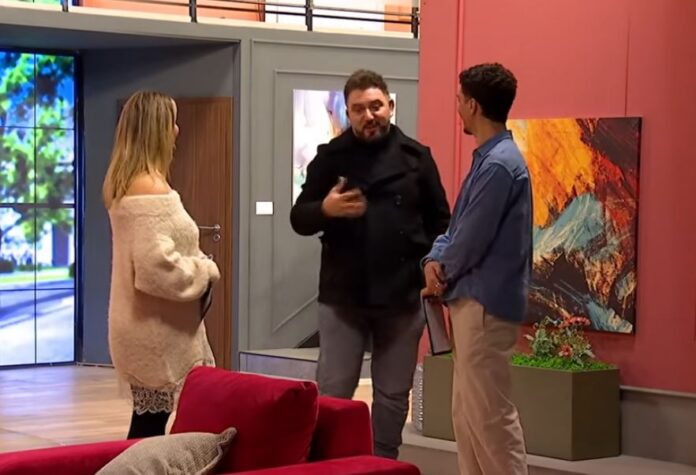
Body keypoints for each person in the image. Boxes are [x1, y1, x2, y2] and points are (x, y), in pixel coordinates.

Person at [290, 69, 450, 459]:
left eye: (375, 106)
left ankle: (382, 462)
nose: (369, 115)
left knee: (393, 395)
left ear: (390, 106)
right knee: (333, 391)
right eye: (359, 109)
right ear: (348, 113)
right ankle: (325, 464)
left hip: (402, 296)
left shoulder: (417, 158)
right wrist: (325, 209)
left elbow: (442, 224)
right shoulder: (331, 158)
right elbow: (299, 218)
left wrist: (433, 265)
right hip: (343, 296)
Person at [422, 63, 532, 475]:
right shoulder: (490, 160)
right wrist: (434, 259)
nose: (456, 107)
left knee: (489, 418)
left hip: (484, 305)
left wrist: (439, 269)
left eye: (459, 99)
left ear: (472, 104)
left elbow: (470, 238)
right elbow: (457, 228)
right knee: (468, 417)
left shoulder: (500, 165)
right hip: (473, 302)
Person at [103, 91, 220, 439]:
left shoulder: (129, 182)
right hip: (154, 330)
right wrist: (205, 271)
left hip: (145, 324)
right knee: (153, 427)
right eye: (172, 121)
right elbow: (155, 268)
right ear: (156, 129)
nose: (177, 129)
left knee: (151, 424)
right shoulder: (149, 187)